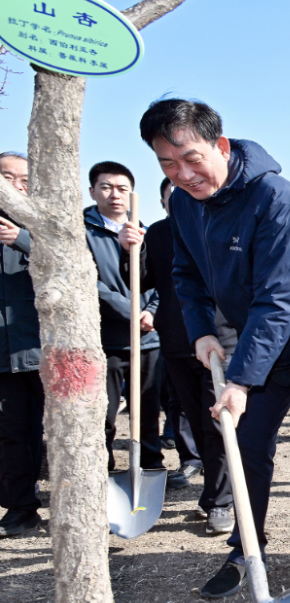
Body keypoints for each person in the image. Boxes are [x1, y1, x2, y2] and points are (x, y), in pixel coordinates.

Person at [139, 98, 290, 603]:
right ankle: (244, 551)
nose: (183, 174)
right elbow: (185, 275)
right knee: (246, 447)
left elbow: (280, 300)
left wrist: (240, 379)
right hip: (263, 344)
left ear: (221, 145)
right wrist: (200, 331)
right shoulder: (186, 206)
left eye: (192, 158)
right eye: (167, 164)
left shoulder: (278, 199)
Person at [142, 177, 235, 535]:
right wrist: (130, 251)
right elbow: (140, 280)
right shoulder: (158, 233)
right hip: (177, 341)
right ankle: (213, 491)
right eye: (172, 196)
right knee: (196, 423)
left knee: (218, 423)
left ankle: (221, 501)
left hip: (221, 338)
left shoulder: (222, 224)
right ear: (166, 201)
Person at [84, 161, 165, 473]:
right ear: (92, 191)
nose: (115, 195)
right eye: (106, 187)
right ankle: (102, 468)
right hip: (108, 339)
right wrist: (130, 312)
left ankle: (150, 465)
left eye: (122, 189)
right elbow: (91, 283)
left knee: (147, 409)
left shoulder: (145, 231)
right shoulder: (83, 231)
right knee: (103, 411)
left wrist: (151, 312)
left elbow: (163, 279)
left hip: (148, 337)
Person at [0, 152, 44, 537]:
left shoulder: (45, 224)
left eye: (24, 178)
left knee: (56, 431)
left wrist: (23, 240)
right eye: (6, 177)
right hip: (3, 356)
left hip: (46, 353)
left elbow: (75, 262)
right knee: (11, 433)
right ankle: (20, 508)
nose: (16, 185)